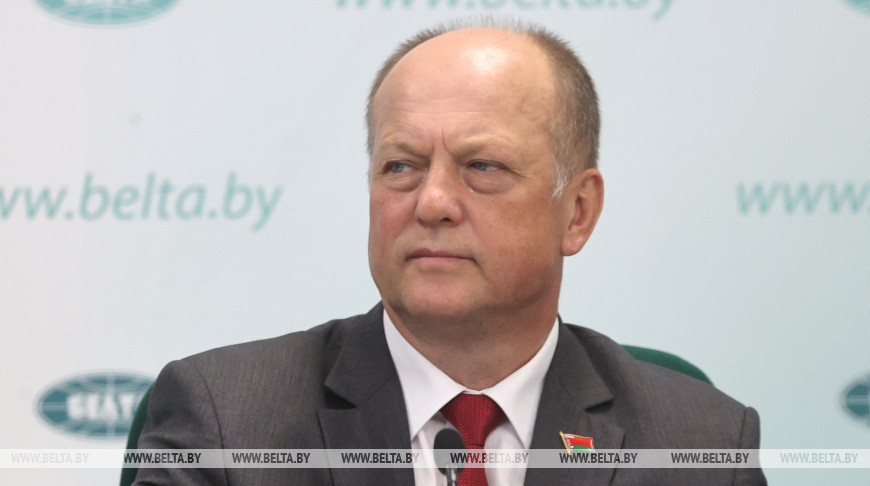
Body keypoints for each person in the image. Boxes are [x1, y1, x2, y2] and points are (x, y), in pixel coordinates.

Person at [134, 19, 766, 486]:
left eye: (482, 166)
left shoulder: (703, 445)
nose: (432, 202)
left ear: (577, 212)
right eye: (401, 166)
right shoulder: (227, 421)